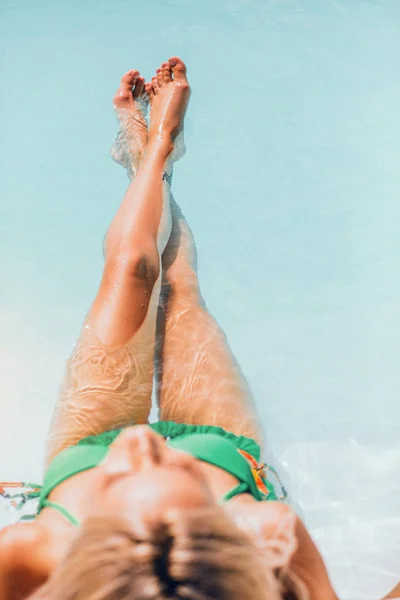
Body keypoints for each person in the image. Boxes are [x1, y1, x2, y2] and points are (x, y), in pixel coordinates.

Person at [0, 57, 341, 600]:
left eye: (122, 481)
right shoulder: (269, 532)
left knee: (133, 270)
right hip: (222, 449)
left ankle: (151, 152)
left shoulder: (26, 554)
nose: (141, 440)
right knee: (179, 288)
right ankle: (155, 151)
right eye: (185, 484)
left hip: (83, 449)